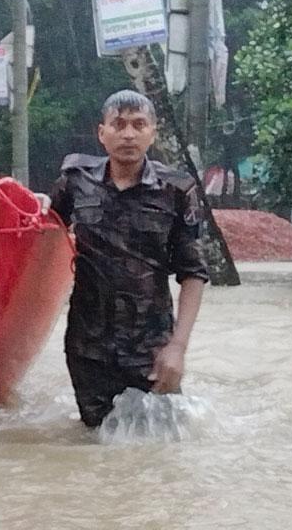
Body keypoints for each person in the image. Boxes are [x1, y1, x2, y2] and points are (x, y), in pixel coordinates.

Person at [49, 90, 208, 428]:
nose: (128, 134)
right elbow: (44, 237)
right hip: (87, 348)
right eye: (118, 125)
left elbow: (193, 273)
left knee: (159, 453)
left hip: (151, 350)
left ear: (153, 132)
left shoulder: (176, 191)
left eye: (139, 125)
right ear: (101, 133)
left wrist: (178, 347)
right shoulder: (75, 181)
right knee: (95, 448)